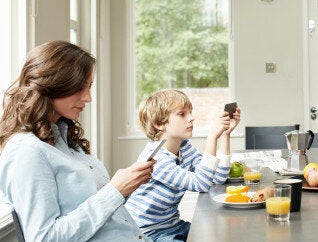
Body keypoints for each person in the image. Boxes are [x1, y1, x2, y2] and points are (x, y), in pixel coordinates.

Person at [0, 40, 154, 241]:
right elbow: (44, 238)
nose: (88, 97)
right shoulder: (26, 152)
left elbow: (97, 210)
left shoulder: (65, 140)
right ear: (53, 83)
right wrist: (115, 190)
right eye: (80, 87)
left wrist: (127, 186)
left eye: (89, 86)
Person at [125, 89, 240, 242]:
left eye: (190, 112)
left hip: (173, 225)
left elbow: (217, 177)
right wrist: (212, 138)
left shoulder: (184, 147)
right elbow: (202, 183)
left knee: (220, 233)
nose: (191, 118)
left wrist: (225, 134)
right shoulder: (156, 159)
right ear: (159, 124)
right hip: (147, 233)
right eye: (182, 114)